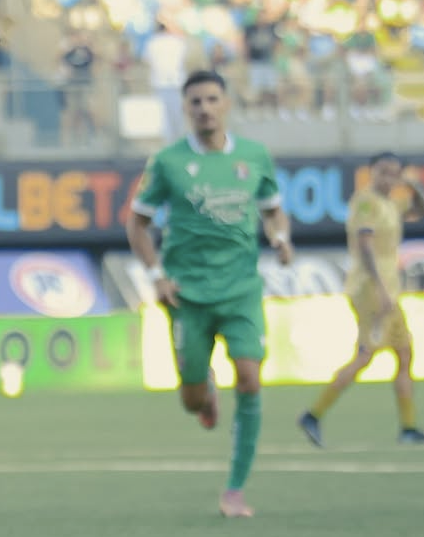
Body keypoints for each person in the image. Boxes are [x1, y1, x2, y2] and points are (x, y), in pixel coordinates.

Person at [124, 69, 293, 519]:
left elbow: (274, 211)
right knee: (192, 401)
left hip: (240, 290)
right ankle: (205, 395)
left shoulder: (255, 157)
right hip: (186, 295)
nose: (204, 108)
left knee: (251, 378)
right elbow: (137, 223)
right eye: (195, 101)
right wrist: (157, 274)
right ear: (185, 108)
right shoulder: (168, 162)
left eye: (212, 99)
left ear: (226, 103)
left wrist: (279, 238)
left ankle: (234, 490)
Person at [298, 152, 424, 447]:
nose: (388, 178)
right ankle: (313, 415)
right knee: (365, 355)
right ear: (371, 172)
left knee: (404, 353)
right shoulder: (366, 202)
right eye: (383, 172)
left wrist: (415, 188)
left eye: (394, 173)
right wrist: (380, 289)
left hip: (389, 289)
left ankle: (409, 428)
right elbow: (365, 247)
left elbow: (420, 210)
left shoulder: (390, 203)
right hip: (372, 290)